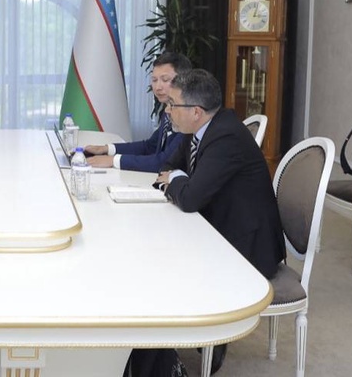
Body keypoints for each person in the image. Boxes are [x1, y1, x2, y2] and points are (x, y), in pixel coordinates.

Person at [144, 69, 286, 376]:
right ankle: (154, 350)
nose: (167, 111)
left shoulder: (225, 136)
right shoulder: (196, 129)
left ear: (195, 111)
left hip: (246, 247)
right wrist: (177, 179)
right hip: (218, 226)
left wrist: (176, 180)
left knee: (159, 268)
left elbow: (189, 197)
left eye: (173, 105)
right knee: (154, 253)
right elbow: (167, 169)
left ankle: (172, 353)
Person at [84, 52, 191, 172]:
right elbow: (150, 147)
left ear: (183, 81)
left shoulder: (188, 116)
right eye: (154, 80)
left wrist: (113, 160)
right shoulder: (167, 110)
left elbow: (163, 162)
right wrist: (106, 149)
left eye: (165, 80)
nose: (158, 87)